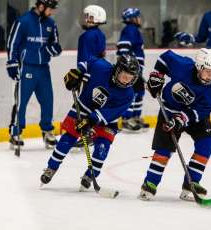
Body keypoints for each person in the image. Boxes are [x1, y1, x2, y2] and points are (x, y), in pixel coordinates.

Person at [40, 54, 140, 189]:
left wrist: (90, 121)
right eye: (124, 76)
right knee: (67, 139)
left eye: (130, 78)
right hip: (83, 107)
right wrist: (77, 73)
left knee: (102, 148)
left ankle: (90, 175)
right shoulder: (101, 67)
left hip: (106, 120)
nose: (126, 81)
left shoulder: (128, 94)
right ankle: (51, 168)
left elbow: (111, 113)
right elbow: (88, 62)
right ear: (116, 70)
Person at [139, 48, 211, 201]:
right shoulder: (183, 66)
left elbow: (197, 113)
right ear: (198, 67)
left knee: (208, 140)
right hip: (170, 111)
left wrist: (181, 120)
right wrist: (157, 75)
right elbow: (165, 58)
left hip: (194, 116)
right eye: (208, 71)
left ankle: (191, 184)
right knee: (164, 148)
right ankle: (150, 183)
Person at [6, 0, 62, 149]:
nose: (52, 12)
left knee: (47, 100)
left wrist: (53, 49)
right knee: (21, 101)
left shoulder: (51, 23)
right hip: (27, 67)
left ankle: (47, 131)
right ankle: (16, 132)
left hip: (43, 69)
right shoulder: (23, 21)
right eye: (51, 9)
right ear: (41, 6)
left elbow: (55, 44)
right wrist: (12, 63)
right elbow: (12, 43)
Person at [174, 0, 211, 130]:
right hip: (210, 57)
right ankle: (201, 116)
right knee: (203, 85)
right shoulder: (208, 16)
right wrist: (190, 38)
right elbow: (201, 37)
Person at [75, 5, 106, 148]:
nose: (84, 19)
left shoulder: (85, 36)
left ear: (93, 18)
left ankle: (87, 134)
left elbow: (84, 59)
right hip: (100, 74)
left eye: (87, 16)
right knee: (95, 104)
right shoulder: (100, 34)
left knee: (85, 105)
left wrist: (79, 76)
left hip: (89, 74)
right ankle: (94, 132)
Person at [117, 8, 149, 132]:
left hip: (137, 68)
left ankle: (135, 116)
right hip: (132, 68)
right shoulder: (130, 29)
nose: (139, 19)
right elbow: (123, 47)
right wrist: (127, 65)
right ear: (132, 18)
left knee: (140, 91)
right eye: (137, 16)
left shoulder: (134, 30)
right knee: (132, 92)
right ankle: (126, 119)